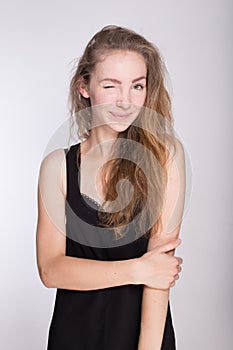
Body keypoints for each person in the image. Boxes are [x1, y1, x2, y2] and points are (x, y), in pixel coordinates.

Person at [36, 25, 186, 350]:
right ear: (84, 87)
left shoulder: (165, 156)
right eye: (110, 85)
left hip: (144, 336)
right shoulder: (57, 167)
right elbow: (51, 270)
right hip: (72, 334)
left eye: (137, 86)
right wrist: (138, 269)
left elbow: (159, 279)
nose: (125, 101)